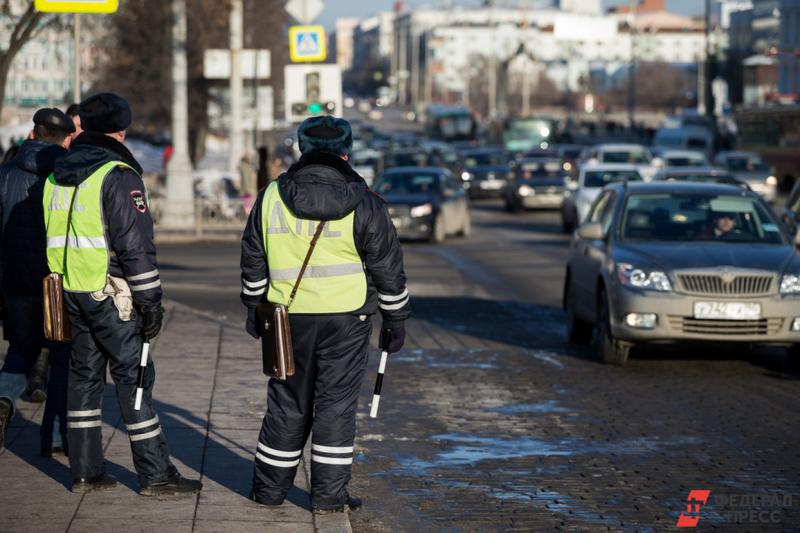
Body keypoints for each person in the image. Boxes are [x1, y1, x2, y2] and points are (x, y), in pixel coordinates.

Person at [241, 116, 410, 514]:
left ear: (301, 150)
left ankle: (268, 492)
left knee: (287, 404)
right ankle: (329, 499)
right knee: (335, 406)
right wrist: (396, 319)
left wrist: (254, 308)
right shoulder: (366, 202)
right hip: (347, 321)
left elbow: (253, 258)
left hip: (286, 320)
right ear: (346, 153)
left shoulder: (270, 197)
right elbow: (388, 267)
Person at [43, 93, 202, 496]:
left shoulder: (58, 173)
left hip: (70, 291)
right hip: (111, 294)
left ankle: (85, 471)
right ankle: (156, 474)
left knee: (84, 380)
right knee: (135, 379)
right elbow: (135, 249)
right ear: (121, 128)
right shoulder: (117, 174)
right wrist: (151, 304)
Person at [0, 108, 74, 456]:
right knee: (62, 358)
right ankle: (56, 437)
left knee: (19, 350)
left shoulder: (5, 174)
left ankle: (3, 398)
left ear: (33, 133)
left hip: (14, 279)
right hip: (57, 282)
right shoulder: (69, 175)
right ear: (65, 138)